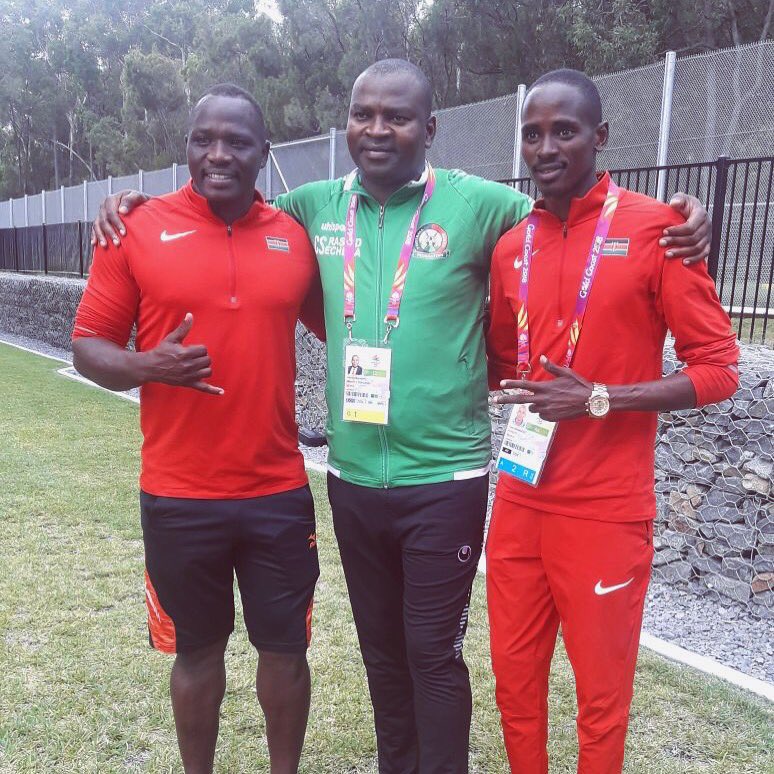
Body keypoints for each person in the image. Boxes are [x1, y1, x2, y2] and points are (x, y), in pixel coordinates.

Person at [91, 60, 713, 774]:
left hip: (445, 476)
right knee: (381, 654)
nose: (377, 130)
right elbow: (223, 205)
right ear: (346, 124)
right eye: (363, 115)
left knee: (432, 652)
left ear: (430, 129)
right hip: (353, 476)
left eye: (397, 117)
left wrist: (684, 211)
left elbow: (575, 211)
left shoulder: (481, 205)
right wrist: (134, 203)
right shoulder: (311, 209)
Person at [485, 69, 739, 773]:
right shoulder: (512, 247)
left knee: (601, 701)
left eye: (563, 130)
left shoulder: (658, 230)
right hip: (517, 501)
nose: (545, 146)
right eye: (532, 133)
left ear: (599, 137)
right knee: (514, 686)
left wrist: (600, 396)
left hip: (605, 513)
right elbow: (503, 360)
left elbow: (718, 368)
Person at [73, 84, 325, 774]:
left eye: (236, 141)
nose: (217, 154)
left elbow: (345, 324)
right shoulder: (136, 228)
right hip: (179, 492)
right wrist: (147, 364)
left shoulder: (293, 236)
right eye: (202, 139)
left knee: (286, 651)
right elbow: (88, 346)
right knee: (196, 651)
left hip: (276, 488)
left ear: (263, 153)